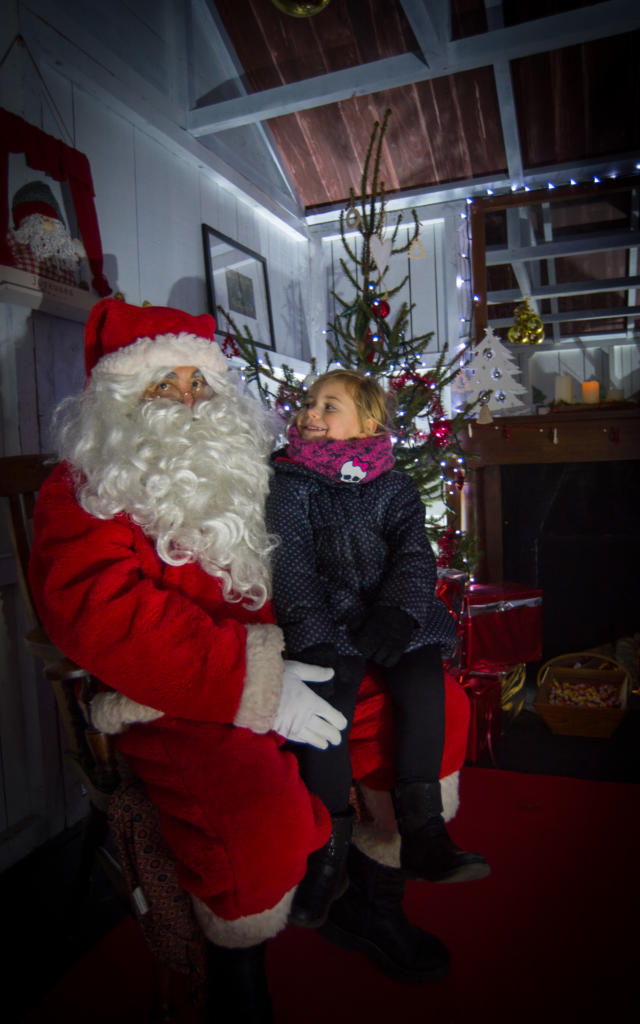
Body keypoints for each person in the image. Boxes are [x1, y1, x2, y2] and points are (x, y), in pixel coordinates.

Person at [29, 299, 468, 1021]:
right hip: (183, 691)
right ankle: (239, 978)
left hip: (312, 651)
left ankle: (373, 903)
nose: (187, 401)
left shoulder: (263, 470)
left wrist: (377, 612)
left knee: (434, 714)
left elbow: (336, 545)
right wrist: (253, 681)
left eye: (199, 383)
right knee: (257, 817)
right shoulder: (82, 490)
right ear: (115, 400)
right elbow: (96, 614)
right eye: (162, 385)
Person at [266, 368, 489, 929]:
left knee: (422, 686)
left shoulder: (393, 485)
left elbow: (413, 556)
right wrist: (313, 634)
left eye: (329, 405)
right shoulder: (290, 481)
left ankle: (423, 832)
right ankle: (329, 855)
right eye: (309, 403)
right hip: (328, 621)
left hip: (395, 616)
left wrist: (398, 612)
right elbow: (290, 565)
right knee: (327, 712)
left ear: (368, 422)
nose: (311, 413)